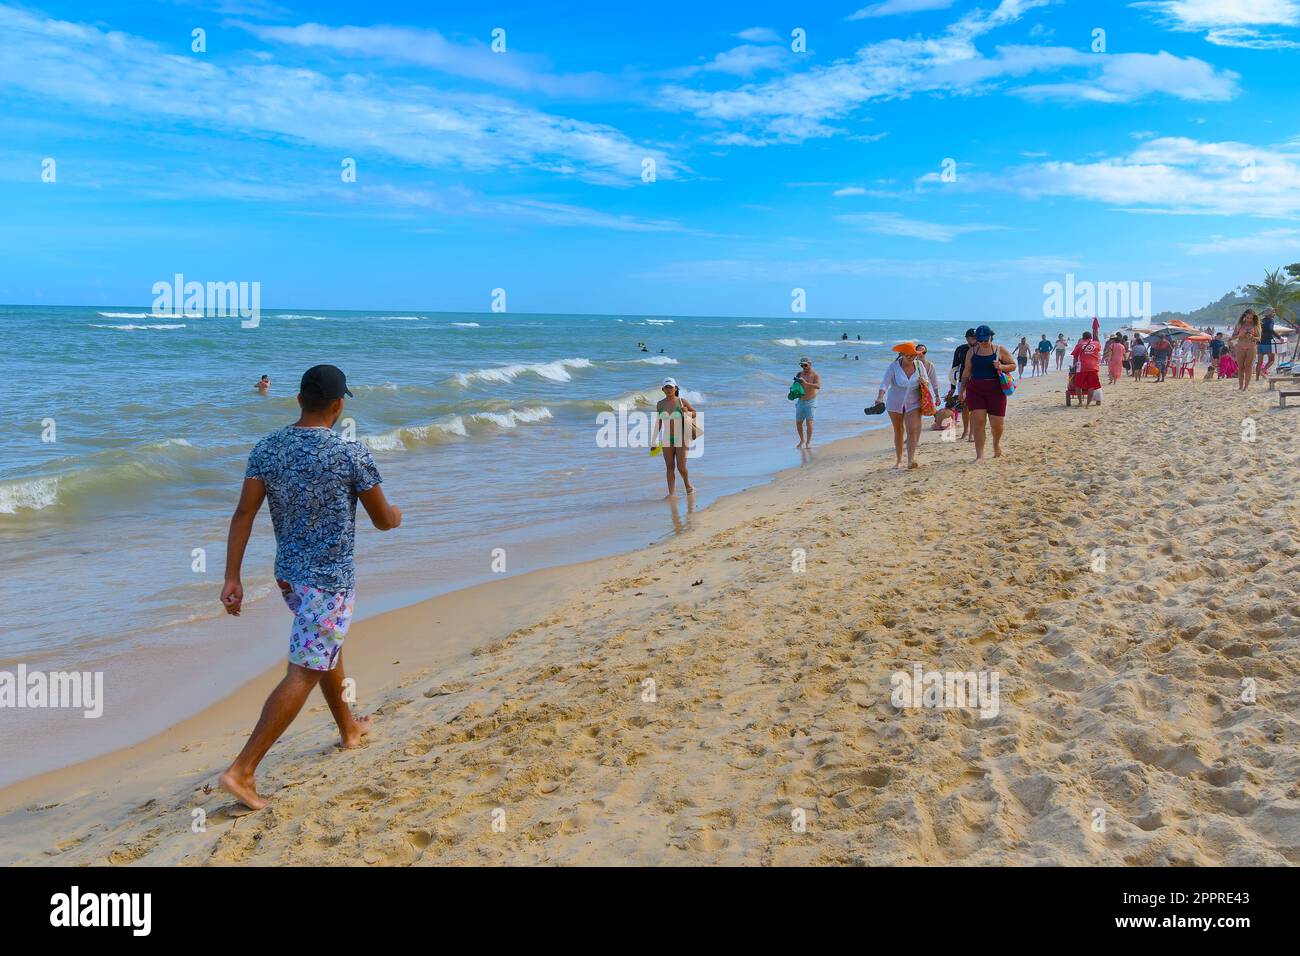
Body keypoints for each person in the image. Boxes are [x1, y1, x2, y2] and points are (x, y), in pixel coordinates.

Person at [218, 365, 402, 810]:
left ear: (299, 399)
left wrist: (232, 576)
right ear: (338, 406)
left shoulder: (267, 448)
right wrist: (397, 515)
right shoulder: (350, 453)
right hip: (329, 581)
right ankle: (242, 772)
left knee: (324, 650)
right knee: (304, 668)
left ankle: (348, 728)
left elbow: (244, 514)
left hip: (289, 577)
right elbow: (381, 520)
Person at [874, 341, 940, 469]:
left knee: (912, 430)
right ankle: (899, 460)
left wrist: (924, 382)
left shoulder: (920, 365)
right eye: (908, 355)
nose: (911, 357)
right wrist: (880, 397)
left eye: (913, 355)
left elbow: (926, 382)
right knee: (898, 431)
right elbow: (884, 383)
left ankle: (911, 460)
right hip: (895, 404)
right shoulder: (894, 366)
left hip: (913, 403)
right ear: (902, 354)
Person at [961, 325, 1015, 461]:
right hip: (976, 390)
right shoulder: (972, 352)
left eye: (986, 339)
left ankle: (996, 444)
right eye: (981, 340)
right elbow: (966, 372)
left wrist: (1001, 366)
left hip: (996, 390)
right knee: (978, 422)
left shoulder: (999, 349)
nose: (984, 342)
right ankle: (980, 455)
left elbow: (1013, 365)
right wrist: (961, 391)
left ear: (991, 336)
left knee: (997, 425)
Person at [651, 377, 697, 496]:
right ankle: (671, 493)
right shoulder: (660, 404)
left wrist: (687, 411)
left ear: (675, 388)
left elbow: (694, 413)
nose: (668, 389)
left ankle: (688, 485)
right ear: (663, 389)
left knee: (681, 467)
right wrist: (654, 440)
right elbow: (659, 422)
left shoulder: (682, 401)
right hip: (667, 439)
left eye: (671, 387)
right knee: (669, 467)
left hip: (681, 437)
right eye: (666, 387)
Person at [1070, 331, 1103, 406]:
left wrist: (1074, 366)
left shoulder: (1079, 345)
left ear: (1083, 337)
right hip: (1093, 367)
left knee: (1078, 385)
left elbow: (1075, 356)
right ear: (1090, 337)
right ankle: (1088, 403)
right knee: (1091, 386)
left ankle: (1080, 402)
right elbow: (1098, 350)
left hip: (1082, 368)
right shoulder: (1096, 344)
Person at [1231, 308, 1260, 391]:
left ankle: (1246, 386)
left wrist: (1253, 337)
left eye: (1251, 318)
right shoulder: (1239, 324)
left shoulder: (1255, 325)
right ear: (1244, 316)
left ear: (1253, 317)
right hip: (1240, 347)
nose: (1249, 320)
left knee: (1248, 367)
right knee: (1240, 367)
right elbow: (1233, 337)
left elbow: (1259, 338)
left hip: (1251, 347)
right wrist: (1239, 335)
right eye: (1247, 318)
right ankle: (1240, 386)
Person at [793, 357, 820, 448]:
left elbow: (818, 386)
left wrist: (806, 383)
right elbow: (795, 386)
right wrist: (793, 391)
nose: (803, 367)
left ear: (810, 364)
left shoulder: (815, 375)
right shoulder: (799, 374)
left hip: (811, 401)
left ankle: (808, 442)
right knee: (798, 422)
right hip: (800, 401)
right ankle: (802, 440)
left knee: (809, 422)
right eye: (801, 365)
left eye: (805, 365)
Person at [1256, 308, 1283, 380]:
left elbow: (1257, 331)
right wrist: (1279, 337)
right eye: (1273, 312)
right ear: (1270, 314)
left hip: (1259, 343)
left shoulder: (1260, 320)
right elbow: (1271, 329)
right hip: (1267, 342)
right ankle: (1263, 371)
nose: (1274, 313)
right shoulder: (1271, 320)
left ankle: (1257, 377)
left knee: (1259, 362)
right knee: (1272, 360)